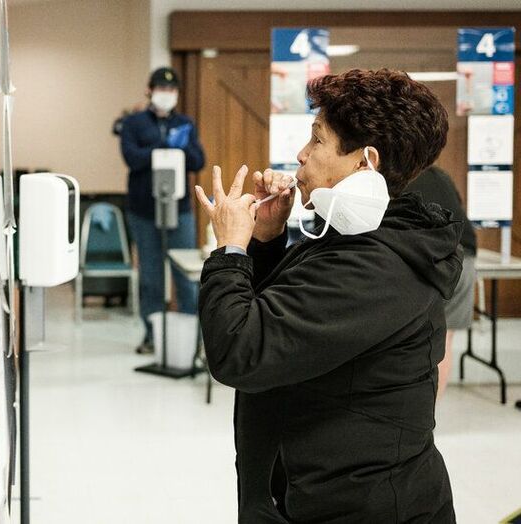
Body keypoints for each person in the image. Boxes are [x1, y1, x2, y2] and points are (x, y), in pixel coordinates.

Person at [194, 69, 458, 522]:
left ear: (364, 161)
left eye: (317, 139)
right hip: (321, 491)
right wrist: (266, 240)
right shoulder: (356, 239)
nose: (302, 153)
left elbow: (242, 351)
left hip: (359, 507)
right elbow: (284, 321)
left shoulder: (376, 264)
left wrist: (231, 250)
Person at [119, 67, 205, 354]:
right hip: (144, 211)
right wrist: (163, 145)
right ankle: (152, 335)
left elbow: (198, 161)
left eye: (171, 90)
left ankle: (193, 337)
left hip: (179, 210)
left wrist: (182, 146)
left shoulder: (185, 123)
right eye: (161, 89)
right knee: (151, 277)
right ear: (150, 90)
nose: (166, 94)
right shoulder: (134, 123)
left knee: (186, 275)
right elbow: (132, 158)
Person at [405, 165, 478, 399]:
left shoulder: (395, 176)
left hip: (433, 260)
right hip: (464, 257)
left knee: (413, 342)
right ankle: (431, 413)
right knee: (444, 341)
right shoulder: (440, 175)